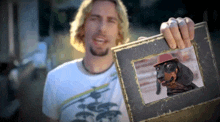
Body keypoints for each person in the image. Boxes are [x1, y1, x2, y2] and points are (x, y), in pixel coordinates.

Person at [42, 0, 195, 121]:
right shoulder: (55, 78)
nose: (102, 28)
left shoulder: (136, 75)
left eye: (111, 20)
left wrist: (182, 42)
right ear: (83, 26)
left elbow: (183, 105)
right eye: (94, 18)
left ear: (119, 31)